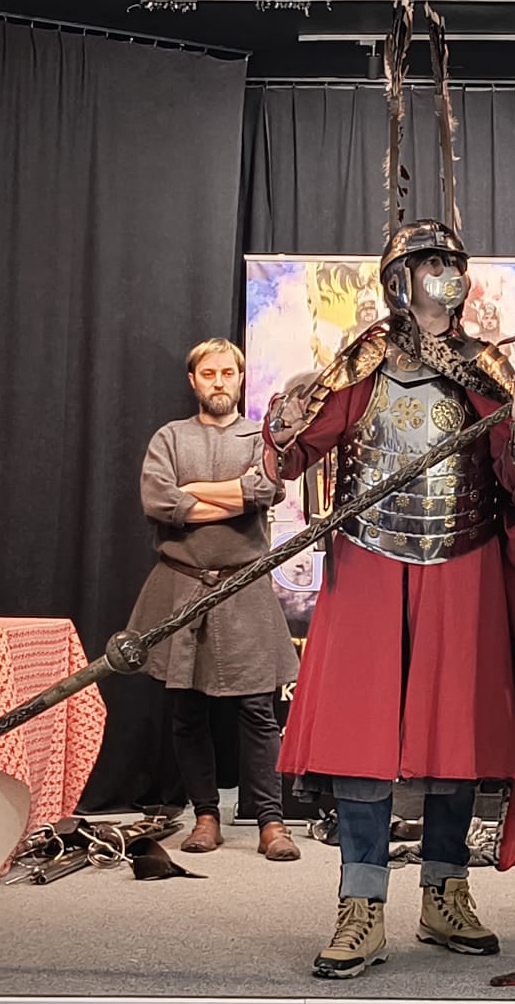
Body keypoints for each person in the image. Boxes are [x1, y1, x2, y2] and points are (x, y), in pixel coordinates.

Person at [263, 218, 515, 980]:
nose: (445, 275)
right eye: (429, 263)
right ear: (401, 279)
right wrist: (284, 424)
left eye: (451, 263)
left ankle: (445, 891)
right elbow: (298, 448)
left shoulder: (485, 366)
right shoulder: (364, 357)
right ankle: (360, 903)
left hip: (463, 562)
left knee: (453, 733)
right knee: (361, 736)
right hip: (368, 561)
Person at [126, 339, 303, 861]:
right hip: (180, 587)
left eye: (228, 372)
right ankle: (205, 817)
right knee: (186, 710)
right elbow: (159, 500)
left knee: (258, 711)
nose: (219, 381)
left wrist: (195, 490)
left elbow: (265, 490)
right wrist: (232, 494)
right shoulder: (169, 438)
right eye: (209, 373)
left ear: (241, 378)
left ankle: (271, 822)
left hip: (243, 586)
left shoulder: (259, 438)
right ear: (193, 380)